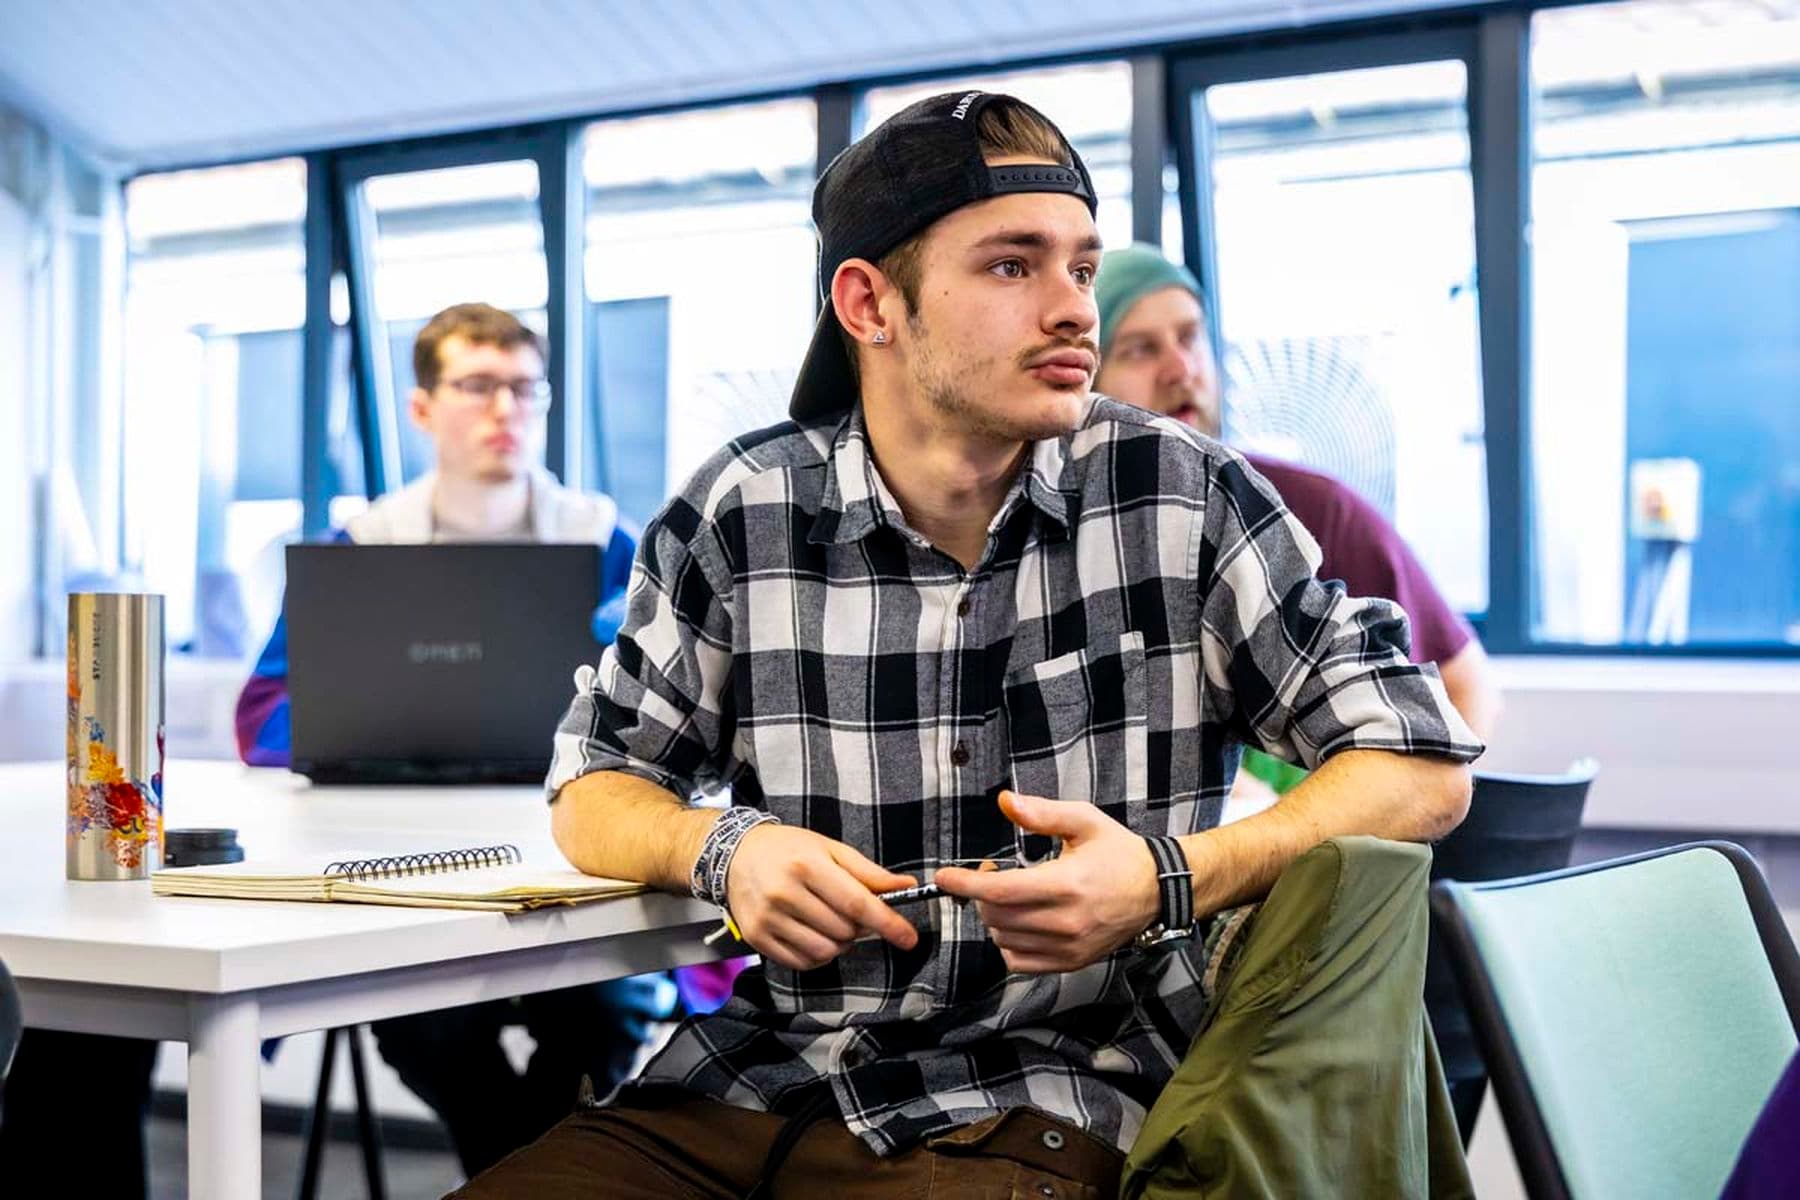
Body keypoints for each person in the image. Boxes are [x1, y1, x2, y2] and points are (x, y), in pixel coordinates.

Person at [456, 92, 1482, 1199]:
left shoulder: (1177, 492)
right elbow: (593, 787)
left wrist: (1169, 878)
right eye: (1013, 266)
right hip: (750, 1087)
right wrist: (726, 850)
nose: (1072, 310)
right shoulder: (744, 509)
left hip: (1045, 1096)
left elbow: (1422, 761)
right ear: (870, 303)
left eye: (1082, 270)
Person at [1093, 244, 1502, 744]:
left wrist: (1403, 817)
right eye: (1140, 349)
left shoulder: (1311, 510)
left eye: (1190, 337)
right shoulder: (1066, 540)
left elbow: (1464, 683)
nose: (1182, 369)